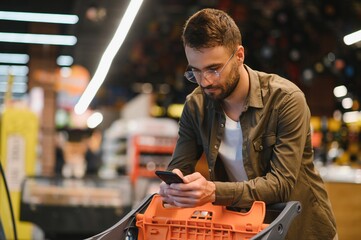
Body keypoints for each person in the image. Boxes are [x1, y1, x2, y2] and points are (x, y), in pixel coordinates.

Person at [158, 8, 337, 240]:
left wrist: (213, 191)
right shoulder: (196, 105)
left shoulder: (285, 100)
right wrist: (175, 187)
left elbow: (281, 184)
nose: (205, 81)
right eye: (196, 71)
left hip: (302, 230)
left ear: (239, 55)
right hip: (246, 229)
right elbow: (180, 167)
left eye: (214, 69)